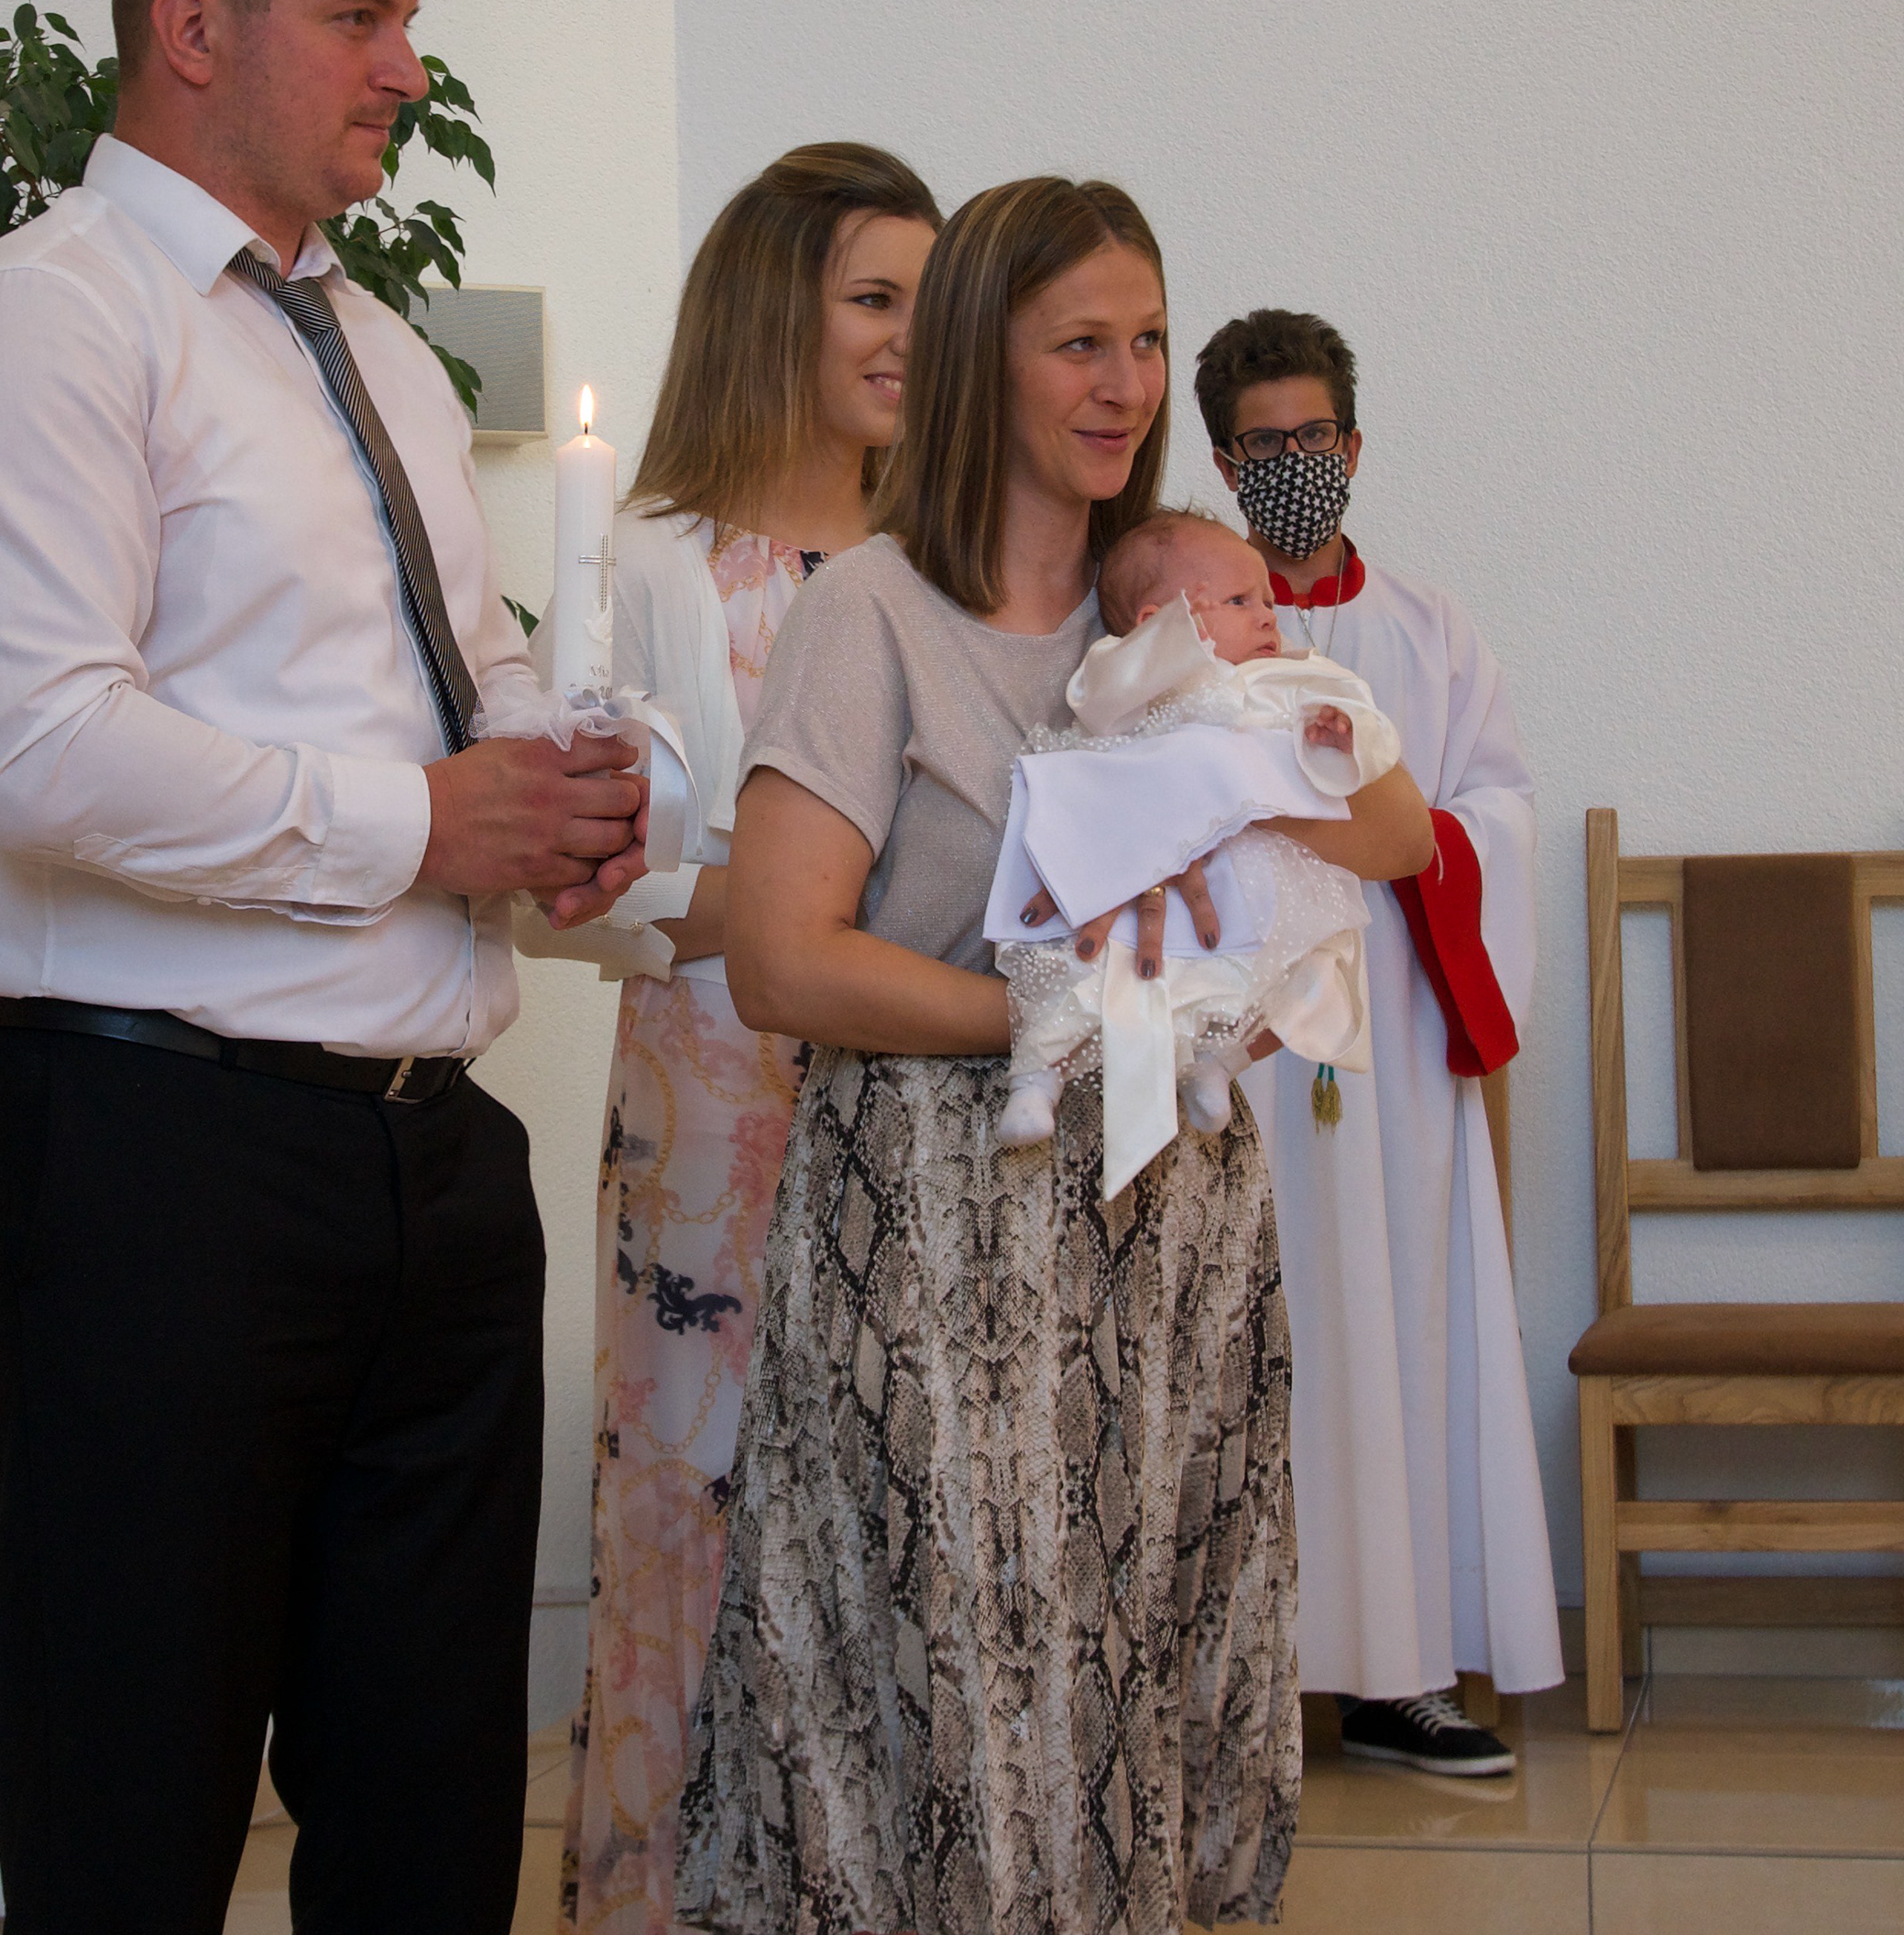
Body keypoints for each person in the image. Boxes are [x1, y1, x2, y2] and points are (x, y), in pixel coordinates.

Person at [0, 0, 647, 1935]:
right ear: (192, 25)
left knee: (428, 1815)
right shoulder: (42, 323)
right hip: (143, 1157)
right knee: (130, 1819)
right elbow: (39, 749)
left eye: (413, 16)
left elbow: (469, 666)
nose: (409, 62)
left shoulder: (375, 345)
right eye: (361, 13)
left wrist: (564, 789)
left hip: (426, 1164)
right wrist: (427, 822)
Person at [672, 180, 1435, 1935]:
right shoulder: (872, 611)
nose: (1125, 379)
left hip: (1171, 1228)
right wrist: (1062, 1019)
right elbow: (783, 956)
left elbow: (1392, 828)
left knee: (1148, 1662)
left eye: (1146, 339)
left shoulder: (1170, 596)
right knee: (972, 1700)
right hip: (945, 1227)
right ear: (974, 357)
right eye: (1079, 341)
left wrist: (1265, 696)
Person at [548, 143, 941, 1935]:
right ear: (776, 313)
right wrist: (765, 904)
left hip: (911, 1115)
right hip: (708, 1129)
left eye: (931, 302)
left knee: (894, 1526)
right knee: (694, 1522)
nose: (912, 336)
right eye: (875, 298)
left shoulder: (944, 575)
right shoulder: (646, 563)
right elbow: (580, 887)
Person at [1196, 307, 1562, 1777]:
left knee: (1395, 1325)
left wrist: (1395, 841)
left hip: (1393, 1034)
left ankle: (1395, 1673)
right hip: (1248, 1045)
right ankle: (1225, 1681)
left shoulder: (1429, 628)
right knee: (1245, 1337)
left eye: (1315, 436)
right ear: (1225, 463)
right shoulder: (1189, 631)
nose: (1294, 462)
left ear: (1354, 443)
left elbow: (1498, 810)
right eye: (1263, 444)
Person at [990, 509, 1400, 1163]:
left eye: (1267, 601)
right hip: (1144, 862)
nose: (1266, 617)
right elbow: (1098, 696)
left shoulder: (1295, 677)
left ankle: (1218, 1061)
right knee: (1091, 970)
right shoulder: (1149, 675)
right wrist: (1171, 644)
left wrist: (1343, 735)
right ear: (1159, 623)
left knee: (1313, 965)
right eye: (1239, 601)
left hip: (1252, 867)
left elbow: (1372, 733)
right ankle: (1037, 1079)